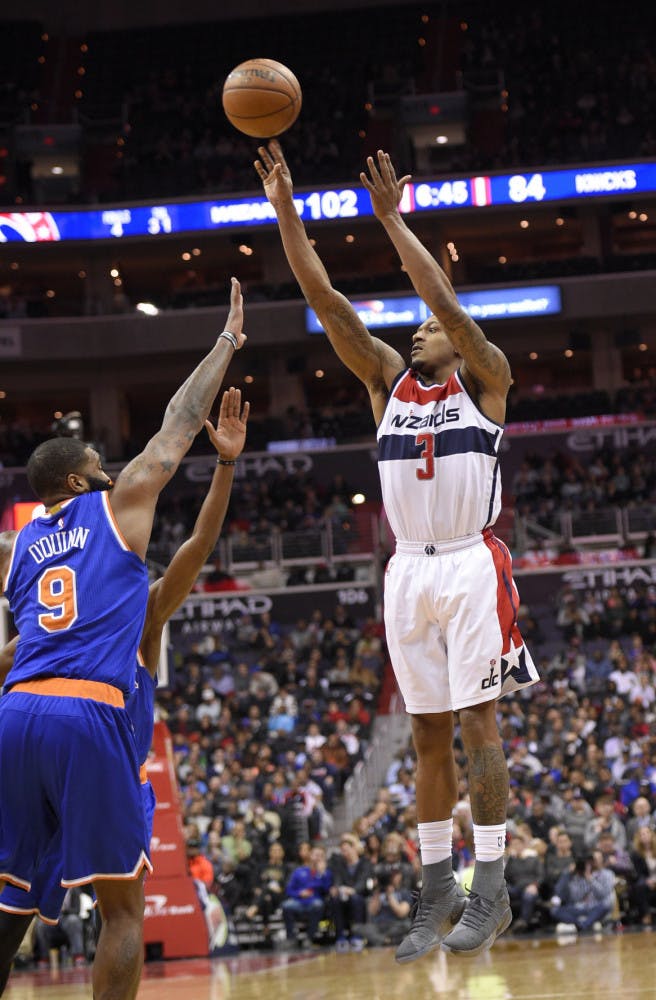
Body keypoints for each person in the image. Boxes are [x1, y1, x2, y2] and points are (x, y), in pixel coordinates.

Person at [254, 141, 539, 960]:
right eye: (413, 328)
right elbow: (325, 296)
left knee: (479, 723)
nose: (417, 333)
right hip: (406, 568)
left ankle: (493, 886)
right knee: (424, 735)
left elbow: (442, 300)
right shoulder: (385, 383)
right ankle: (435, 889)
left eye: (428, 327)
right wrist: (284, 207)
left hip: (470, 561)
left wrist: (391, 222)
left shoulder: (487, 376)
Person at [0, 280, 246, 1000]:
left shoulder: (19, 550)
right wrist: (227, 342)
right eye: (101, 465)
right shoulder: (115, 508)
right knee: (123, 910)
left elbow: (19, 649)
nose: (114, 470)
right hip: (87, 716)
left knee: (10, 901)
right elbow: (176, 426)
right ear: (81, 478)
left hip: (14, 716)